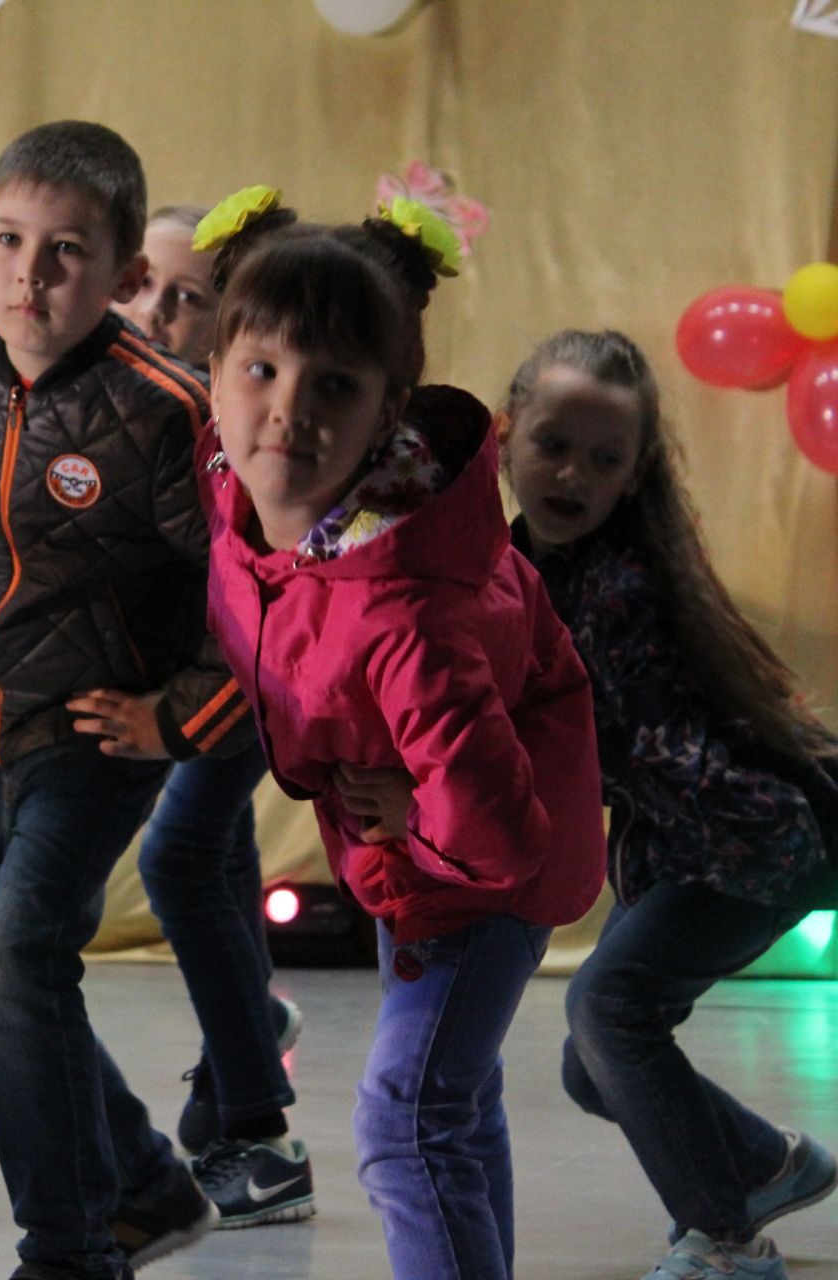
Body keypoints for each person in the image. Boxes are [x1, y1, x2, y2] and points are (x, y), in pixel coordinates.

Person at [0, 120, 257, 1280]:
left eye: (68, 251)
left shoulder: (170, 411)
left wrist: (174, 718)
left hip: (98, 732)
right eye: (9, 240)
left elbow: (262, 594)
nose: (32, 273)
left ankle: (68, 1252)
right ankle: (148, 1186)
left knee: (18, 964)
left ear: (123, 277)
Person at [195, 186, 606, 1279]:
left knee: (403, 1120)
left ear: (387, 416)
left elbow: (501, 832)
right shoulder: (245, 500)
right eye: (262, 369)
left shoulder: (410, 610)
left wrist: (416, 816)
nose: (287, 408)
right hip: (412, 850)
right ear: (214, 372)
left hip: (482, 867)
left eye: (335, 384)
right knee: (451, 1106)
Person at [504, 328, 838, 1280]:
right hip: (690, 851)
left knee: (609, 1007)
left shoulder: (616, 589)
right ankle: (769, 1164)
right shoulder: (521, 563)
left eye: (605, 459)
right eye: (553, 445)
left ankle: (727, 1241)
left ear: (634, 473)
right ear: (504, 436)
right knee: (592, 1057)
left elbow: (615, 750)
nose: (573, 472)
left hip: (748, 850)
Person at [108, 201, 311, 1226]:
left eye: (189, 300)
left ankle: (263, 1135)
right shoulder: (125, 403)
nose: (156, 312)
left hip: (251, 669)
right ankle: (251, 1017)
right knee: (218, 851)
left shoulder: (234, 414)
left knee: (177, 856)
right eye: (141, 285)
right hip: (191, 668)